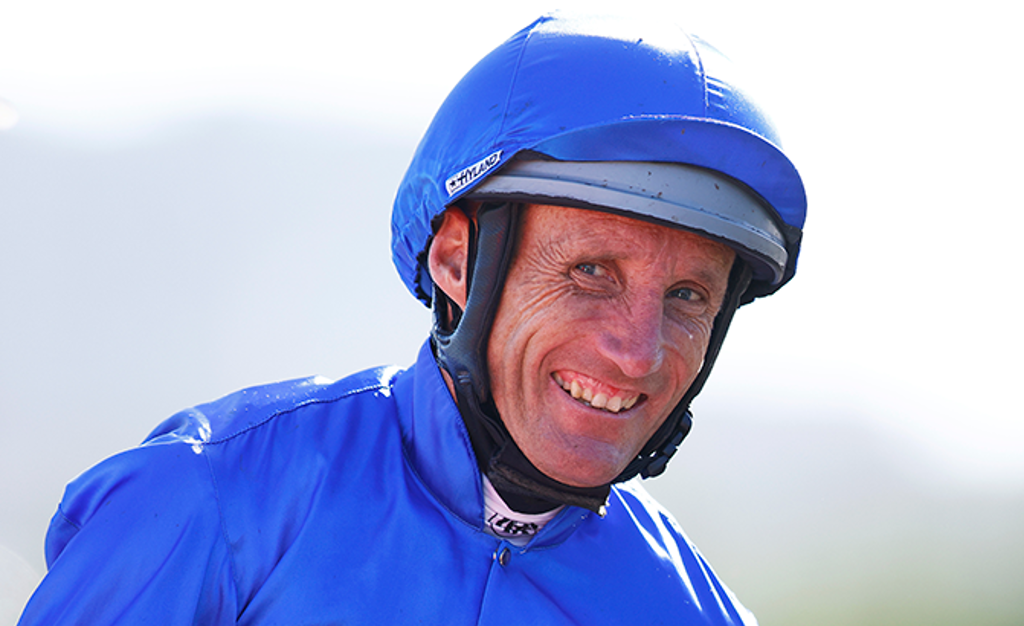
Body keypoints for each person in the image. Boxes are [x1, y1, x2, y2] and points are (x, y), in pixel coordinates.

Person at [18, 13, 806, 625]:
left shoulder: (688, 609)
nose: (636, 354)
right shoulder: (211, 499)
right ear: (457, 261)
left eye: (686, 297)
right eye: (590, 272)